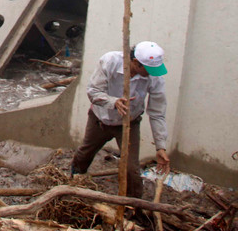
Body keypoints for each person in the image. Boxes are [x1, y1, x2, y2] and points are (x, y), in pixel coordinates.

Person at [71, 41, 170, 199]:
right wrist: (113, 102)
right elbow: (93, 91)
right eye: (149, 70)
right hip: (100, 119)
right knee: (84, 154)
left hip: (129, 124)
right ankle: (73, 182)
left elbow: (157, 112)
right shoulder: (110, 61)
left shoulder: (155, 78)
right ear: (136, 63)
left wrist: (160, 146)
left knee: (132, 168)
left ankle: (133, 204)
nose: (152, 73)